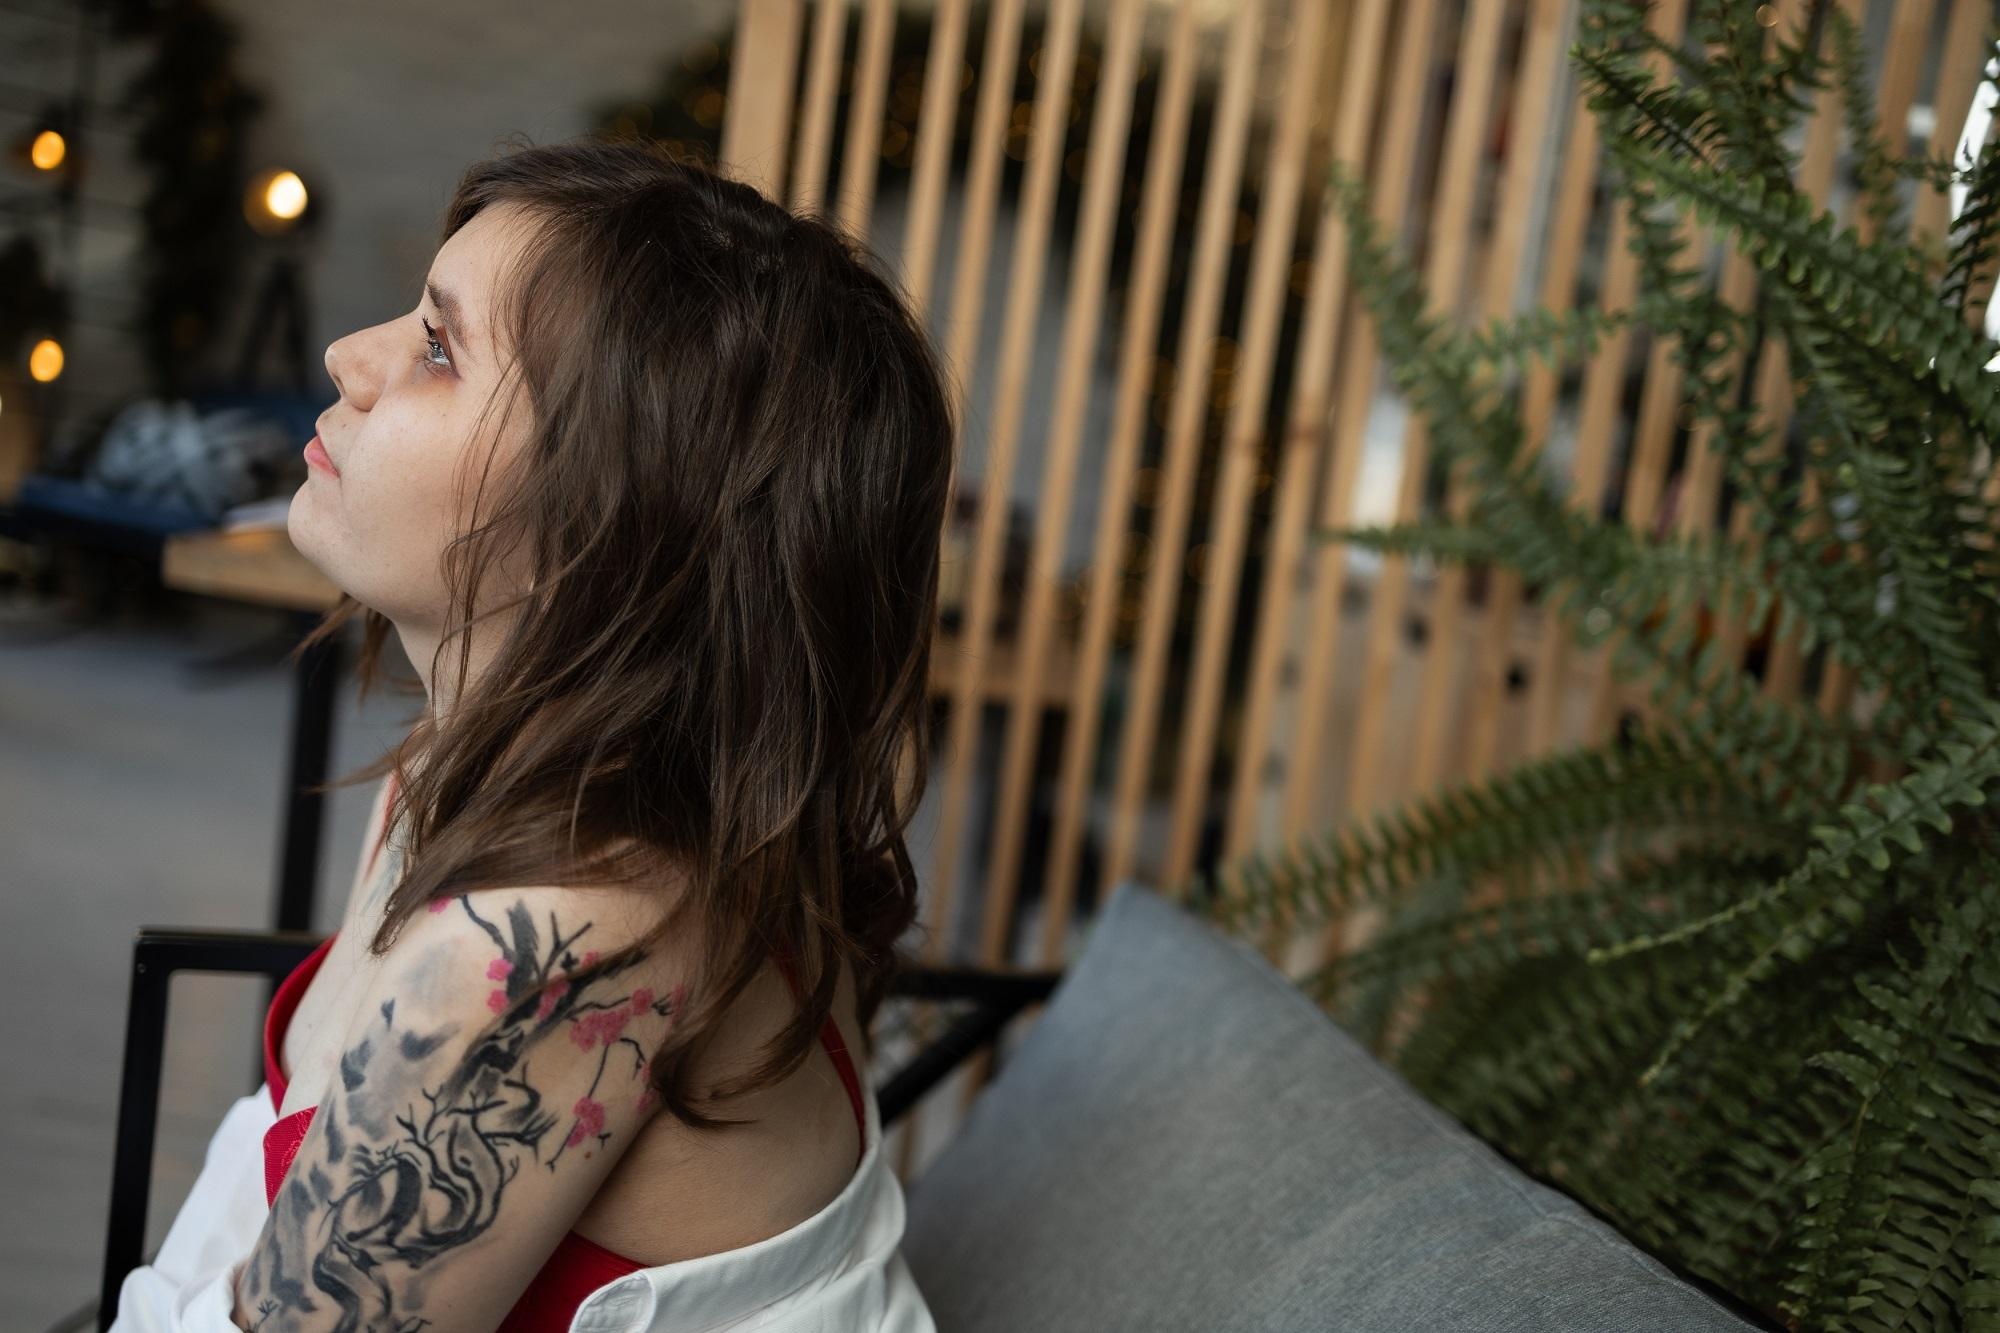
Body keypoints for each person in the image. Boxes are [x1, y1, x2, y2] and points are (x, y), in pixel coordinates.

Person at [110, 132, 951, 1332]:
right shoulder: (477, 770)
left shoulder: (563, 931)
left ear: (610, 521)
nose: (348, 357)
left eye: (437, 348)